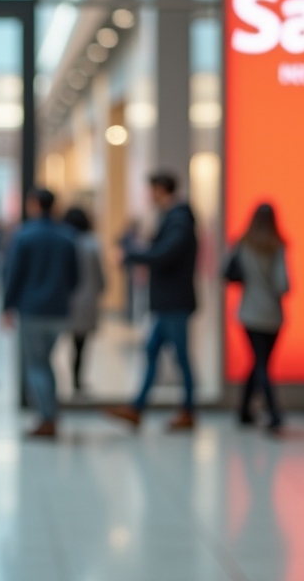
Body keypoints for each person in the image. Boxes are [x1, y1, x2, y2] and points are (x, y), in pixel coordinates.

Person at [104, 171, 199, 431]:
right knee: (152, 352)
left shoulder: (179, 220)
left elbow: (164, 254)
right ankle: (138, 407)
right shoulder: (172, 218)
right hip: (167, 302)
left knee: (180, 357)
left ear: (160, 190)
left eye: (152, 191)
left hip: (174, 302)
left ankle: (188, 410)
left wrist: (132, 254)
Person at [2, 189, 79, 438]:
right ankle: (51, 413)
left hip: (33, 309)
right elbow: (75, 278)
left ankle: (47, 418)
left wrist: (7, 306)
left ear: (34, 205)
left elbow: (14, 275)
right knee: (46, 362)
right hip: (59, 310)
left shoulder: (25, 235)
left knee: (36, 365)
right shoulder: (67, 236)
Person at [228, 203, 290, 433]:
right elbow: (282, 283)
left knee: (259, 361)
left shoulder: (243, 244)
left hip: (250, 312)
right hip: (272, 314)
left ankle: (244, 409)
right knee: (262, 362)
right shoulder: (278, 247)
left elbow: (229, 272)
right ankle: (274, 411)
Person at [63, 207, 106, 394]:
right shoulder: (91, 244)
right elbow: (100, 277)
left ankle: (55, 382)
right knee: (80, 344)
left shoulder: (64, 242)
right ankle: (77, 381)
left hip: (65, 300)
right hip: (87, 300)